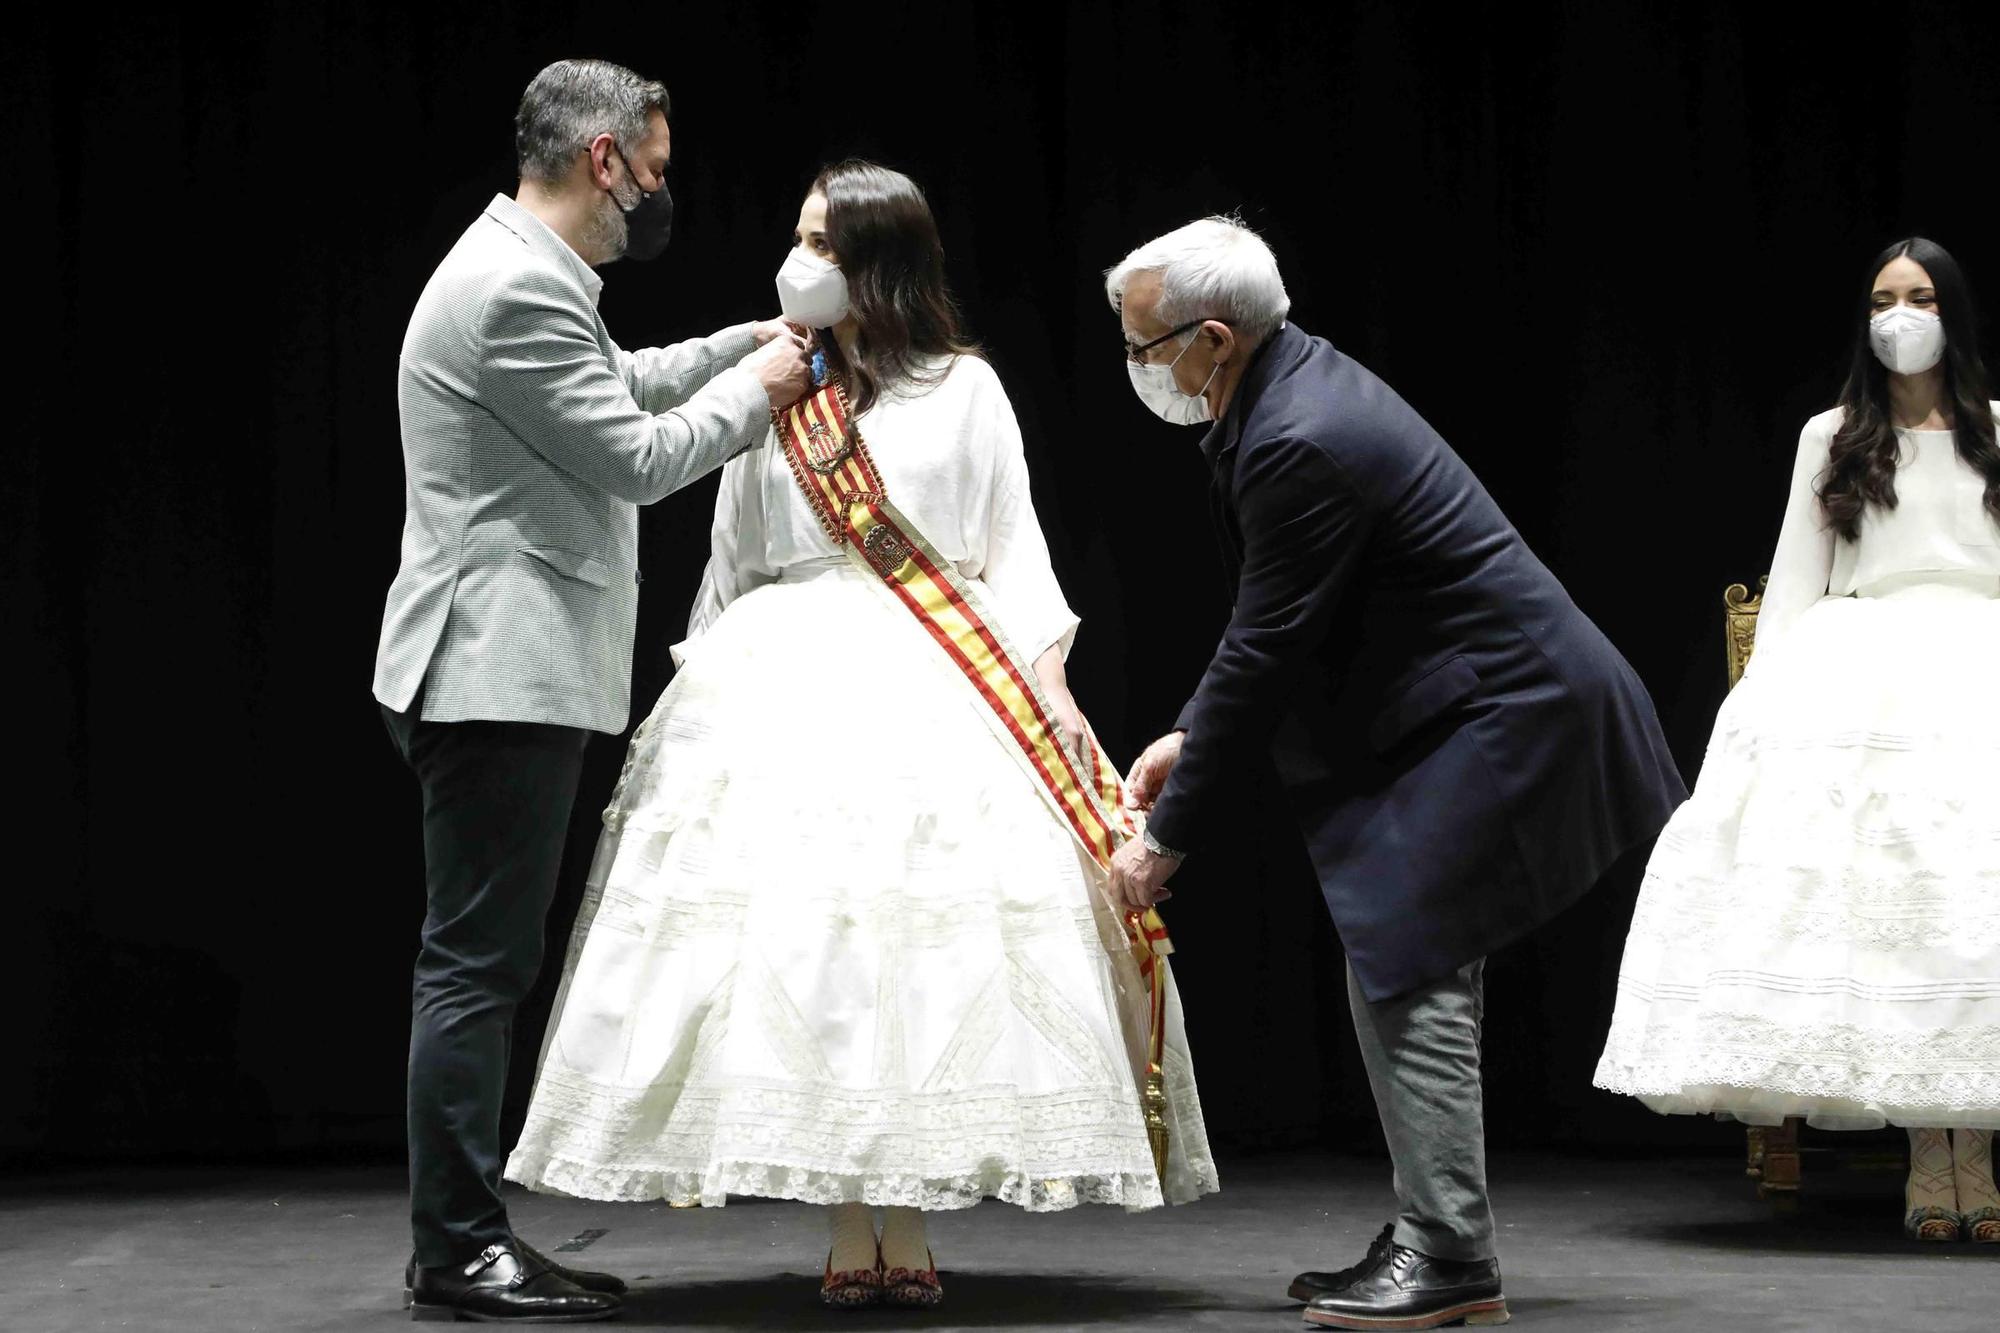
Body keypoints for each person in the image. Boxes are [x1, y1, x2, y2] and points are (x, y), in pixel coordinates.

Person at [503, 160, 1216, 1311]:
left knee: (916, 951)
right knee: (812, 949)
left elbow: (1012, 551)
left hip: (941, 673)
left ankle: (909, 1208)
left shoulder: (967, 390)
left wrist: (1056, 692)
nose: (800, 262)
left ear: (882, 262)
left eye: (824, 245)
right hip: (783, 675)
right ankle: (848, 1213)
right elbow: (729, 558)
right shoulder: (776, 382)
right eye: (796, 239)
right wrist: (696, 708)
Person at [1102, 216, 1686, 1331]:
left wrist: (1165, 837)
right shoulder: (1280, 397)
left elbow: (1266, 647)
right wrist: (1192, 735)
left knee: (1406, 954)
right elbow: (1271, 630)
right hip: (1469, 711)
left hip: (1511, 714)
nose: (1139, 370)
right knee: (1402, 957)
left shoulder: (1297, 435)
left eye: (1144, 348)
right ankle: (1435, 1225)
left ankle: (1448, 1251)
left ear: (1212, 339)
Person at [373, 58, 811, 1323]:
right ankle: (455, 1245)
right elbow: (635, 457)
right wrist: (764, 391)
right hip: (490, 670)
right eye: (656, 171)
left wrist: (740, 346)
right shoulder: (513, 283)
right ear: (605, 160)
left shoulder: (530, 269)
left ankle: (462, 1235)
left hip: (501, 668)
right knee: (474, 967)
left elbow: (616, 381)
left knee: (480, 962)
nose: (659, 196)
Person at [1594, 237, 2000, 1243]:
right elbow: (1793, 572)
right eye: (1879, 299)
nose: (1897, 315)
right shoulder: (1832, 434)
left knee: (1962, 894)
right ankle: (1923, 1149)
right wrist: (1761, 708)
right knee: (1881, 896)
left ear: (1951, 311)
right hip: (1859, 652)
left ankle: (1973, 1153)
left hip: (1978, 657)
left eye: (1916, 297)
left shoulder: (1996, 430)